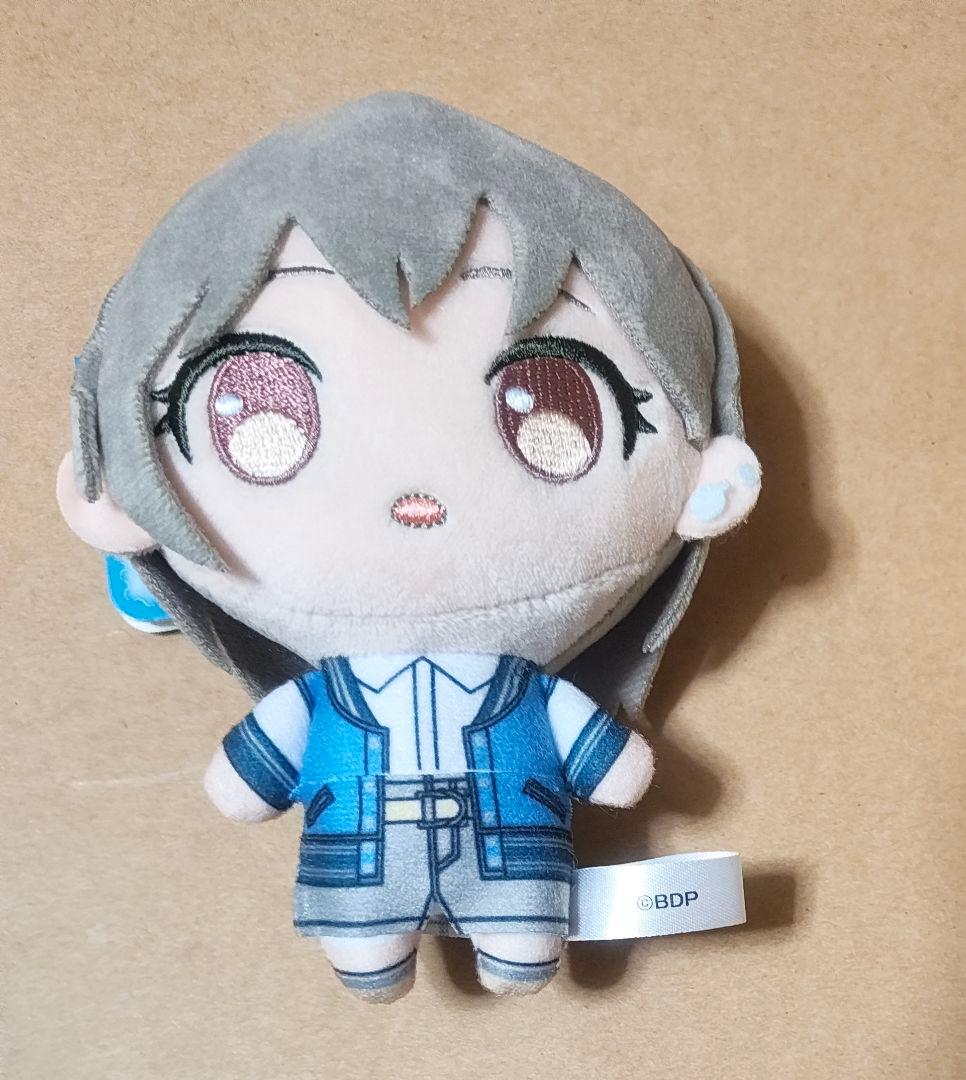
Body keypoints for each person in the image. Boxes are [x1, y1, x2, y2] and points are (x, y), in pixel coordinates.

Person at [56, 92, 760, 1001]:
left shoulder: (495, 696)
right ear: (117, 498)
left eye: (554, 413)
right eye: (261, 420)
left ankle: (500, 942)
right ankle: (381, 946)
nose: (414, 492)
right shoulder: (390, 698)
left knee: (506, 926)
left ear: (708, 483)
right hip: (373, 862)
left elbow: (611, 769)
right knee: (381, 925)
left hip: (502, 859)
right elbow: (251, 771)